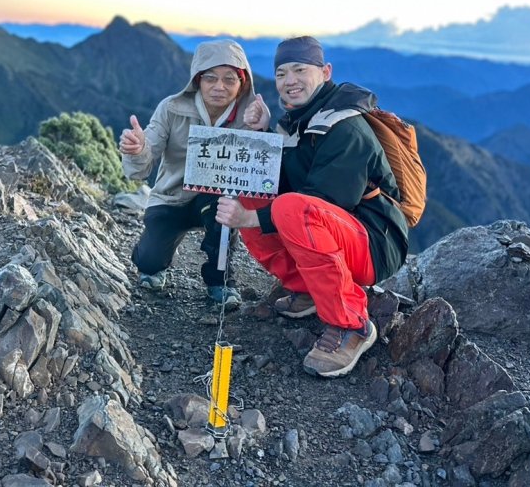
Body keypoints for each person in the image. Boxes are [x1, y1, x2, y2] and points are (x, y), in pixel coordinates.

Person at [216, 35, 409, 377]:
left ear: (325, 72)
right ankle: (306, 289)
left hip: (375, 242)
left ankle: (352, 324)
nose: (289, 81)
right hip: (335, 232)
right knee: (250, 193)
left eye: (300, 69)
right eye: (281, 73)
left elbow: (319, 205)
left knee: (286, 210)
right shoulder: (300, 121)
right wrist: (263, 134)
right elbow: (285, 185)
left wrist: (251, 218)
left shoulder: (346, 127)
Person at [119, 39, 265, 310]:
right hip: (171, 198)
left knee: (224, 207)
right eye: (210, 78)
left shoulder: (251, 117)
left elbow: (261, 171)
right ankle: (156, 253)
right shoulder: (171, 109)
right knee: (150, 264)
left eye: (229, 79)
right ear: (197, 80)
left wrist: (263, 131)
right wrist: (138, 149)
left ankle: (220, 281)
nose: (219, 87)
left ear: (242, 82)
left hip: (213, 200)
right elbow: (145, 158)